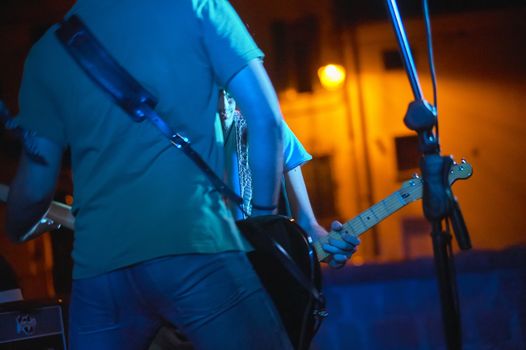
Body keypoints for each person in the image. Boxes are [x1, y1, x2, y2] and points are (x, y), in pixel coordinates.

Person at [6, 1, 292, 349]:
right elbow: (266, 121)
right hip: (195, 247)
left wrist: (15, 228)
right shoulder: (199, 8)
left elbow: (35, 189)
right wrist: (263, 221)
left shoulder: (49, 52)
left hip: (101, 274)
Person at [218, 90, 360, 268]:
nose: (224, 104)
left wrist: (328, 245)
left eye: (229, 93)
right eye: (215, 93)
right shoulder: (177, 139)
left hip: (258, 272)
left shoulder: (271, 129)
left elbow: (307, 224)